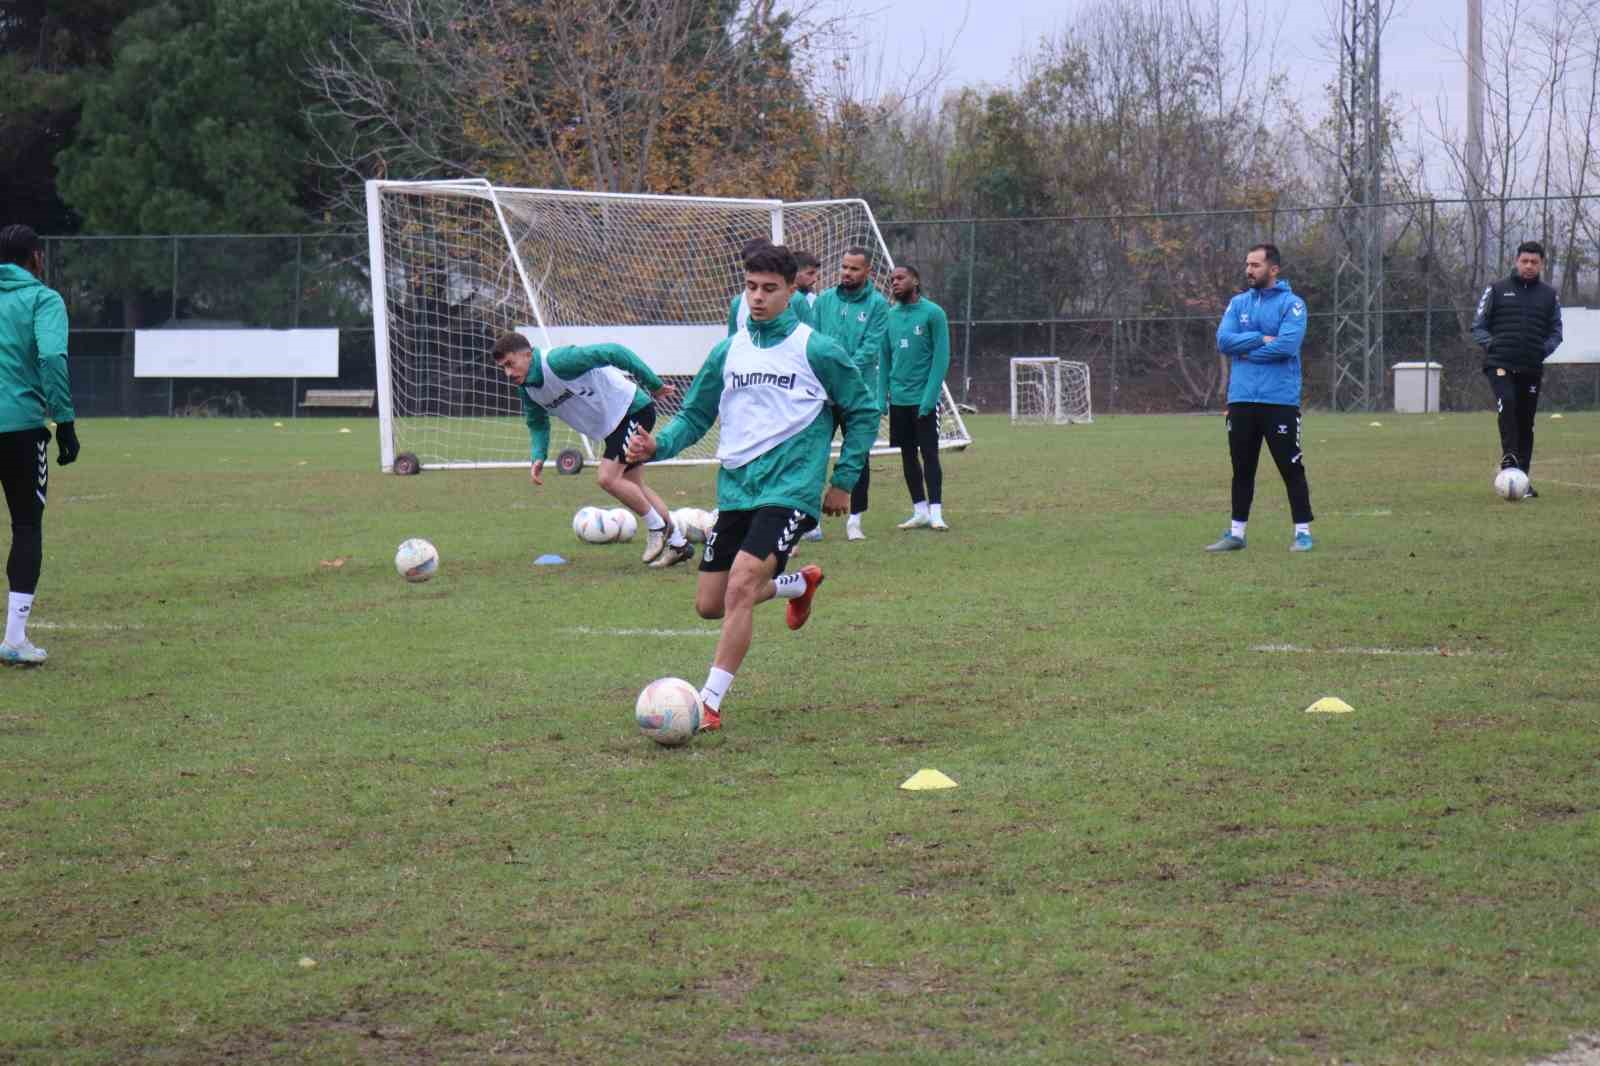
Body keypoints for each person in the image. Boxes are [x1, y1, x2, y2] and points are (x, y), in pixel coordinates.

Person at [626, 243, 877, 732]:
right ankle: (798, 583)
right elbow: (696, 415)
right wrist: (657, 446)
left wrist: (843, 480)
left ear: (791, 292)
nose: (758, 298)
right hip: (737, 488)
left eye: (769, 289)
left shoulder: (817, 349)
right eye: (750, 288)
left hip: (791, 488)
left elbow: (864, 412)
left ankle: (709, 703)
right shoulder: (729, 350)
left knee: (742, 586)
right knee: (710, 604)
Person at [489, 333, 693, 568]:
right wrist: (538, 456)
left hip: (632, 410)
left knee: (607, 478)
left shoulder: (558, 361)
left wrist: (653, 384)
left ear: (527, 354)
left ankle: (656, 526)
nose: (507, 373)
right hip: (614, 426)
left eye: (510, 364)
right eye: (502, 368)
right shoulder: (527, 389)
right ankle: (678, 544)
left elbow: (613, 351)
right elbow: (537, 423)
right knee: (634, 487)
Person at [0, 224, 80, 665]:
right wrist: (64, 422)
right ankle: (14, 639)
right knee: (26, 526)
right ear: (35, 257)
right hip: (21, 430)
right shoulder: (43, 300)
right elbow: (51, 357)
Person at [1207, 242, 1314, 553]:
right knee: (1242, 468)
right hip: (1241, 399)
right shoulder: (1238, 303)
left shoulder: (1292, 305)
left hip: (1279, 400)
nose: (1249, 270)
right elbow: (1223, 341)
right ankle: (1236, 534)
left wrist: (1248, 352)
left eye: (1255, 265)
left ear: (1273, 269)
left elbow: (1286, 346)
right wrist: (1259, 338)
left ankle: (1302, 533)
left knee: (1290, 467)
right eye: (1247, 265)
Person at [1470, 240, 1563, 496]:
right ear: (1516, 261)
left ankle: (1521, 479)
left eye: (1534, 262)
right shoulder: (1497, 289)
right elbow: (1478, 325)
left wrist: (1543, 350)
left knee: (1526, 421)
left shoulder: (1549, 295)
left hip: (1531, 367)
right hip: (1500, 364)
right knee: (1508, 403)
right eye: (1525, 261)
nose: (1529, 266)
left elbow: (1556, 332)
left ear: (1541, 264)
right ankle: (1509, 458)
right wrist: (1492, 345)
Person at [813, 245, 890, 540]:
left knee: (858, 455)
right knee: (814, 452)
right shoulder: (824, 301)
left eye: (854, 268)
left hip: (858, 393)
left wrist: (841, 376)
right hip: (823, 393)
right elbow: (814, 340)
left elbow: (870, 349)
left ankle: (855, 520)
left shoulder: (878, 305)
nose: (847, 272)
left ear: (867, 271)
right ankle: (811, 520)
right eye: (844, 266)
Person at [880, 264, 951, 531]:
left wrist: (929, 398)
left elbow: (941, 357)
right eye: (892, 279)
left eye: (901, 278)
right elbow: (884, 358)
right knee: (907, 455)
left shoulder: (933, 313)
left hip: (923, 400)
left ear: (916, 281)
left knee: (929, 454)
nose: (895, 282)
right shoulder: (890, 316)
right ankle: (919, 510)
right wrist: (881, 396)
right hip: (898, 400)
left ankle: (936, 512)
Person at [726, 241, 814, 335]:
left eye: (769, 289)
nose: (758, 297)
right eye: (752, 287)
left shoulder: (797, 299)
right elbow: (732, 339)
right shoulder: (737, 303)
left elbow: (809, 333)